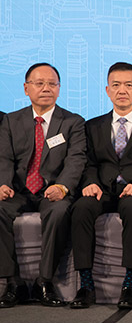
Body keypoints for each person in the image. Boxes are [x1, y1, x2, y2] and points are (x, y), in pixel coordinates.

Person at [69, 62, 132, 309]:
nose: (122, 90)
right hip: (102, 189)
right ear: (107, 90)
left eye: (129, 85)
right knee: (81, 208)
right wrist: (90, 183)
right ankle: (86, 285)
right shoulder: (92, 126)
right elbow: (88, 162)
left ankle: (130, 284)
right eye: (116, 85)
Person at [0, 63, 86, 308]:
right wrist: (3, 183)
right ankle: (12, 283)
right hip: (18, 190)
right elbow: (4, 157)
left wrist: (63, 187)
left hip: (53, 191)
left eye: (52, 84)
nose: (46, 88)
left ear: (59, 88)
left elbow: (76, 159)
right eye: (39, 83)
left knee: (60, 212)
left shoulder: (72, 122)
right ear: (26, 88)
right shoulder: (11, 121)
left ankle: (44, 281)